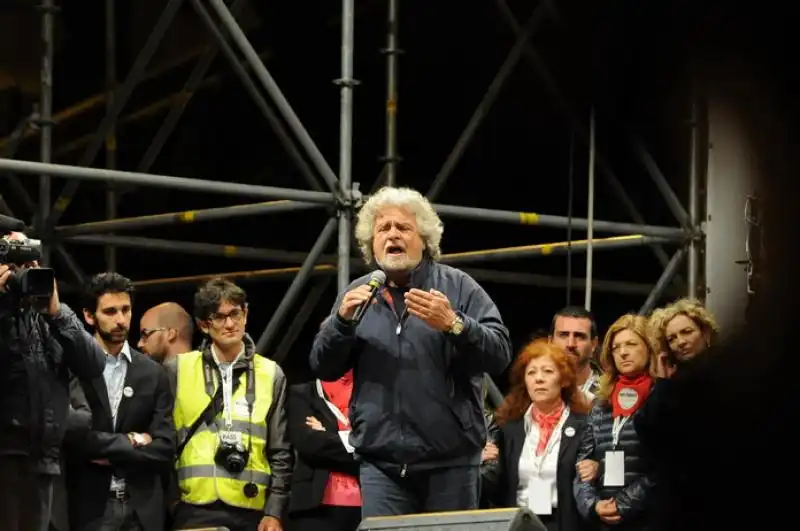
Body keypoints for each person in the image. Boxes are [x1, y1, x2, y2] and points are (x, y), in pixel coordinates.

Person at [310, 186, 513, 518]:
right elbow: (323, 366)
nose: (393, 235)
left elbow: (500, 354)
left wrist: (453, 323)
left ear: (425, 239)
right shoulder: (357, 293)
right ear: (371, 243)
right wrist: (341, 324)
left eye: (403, 227)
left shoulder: (458, 287)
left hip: (451, 466)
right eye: (383, 229)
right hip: (382, 467)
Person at [166, 277, 292, 531]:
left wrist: (274, 511)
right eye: (219, 317)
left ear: (245, 314)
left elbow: (281, 451)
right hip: (194, 508)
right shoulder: (178, 370)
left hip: (253, 509)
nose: (230, 324)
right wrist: (172, 504)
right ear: (203, 325)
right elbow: (164, 443)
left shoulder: (271, 373)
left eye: (235, 313)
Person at [0, 231, 106, 531]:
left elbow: (93, 364)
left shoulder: (49, 320)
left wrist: (57, 312)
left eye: (30, 263)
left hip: (41, 462)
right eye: (14, 264)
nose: (23, 273)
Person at [64, 273, 175, 531]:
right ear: (89, 316)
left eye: (126, 310)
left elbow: (165, 446)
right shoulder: (72, 367)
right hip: (90, 509)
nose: (121, 320)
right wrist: (133, 441)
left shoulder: (152, 372)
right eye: (110, 311)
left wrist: (106, 451)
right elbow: (75, 440)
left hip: (142, 512)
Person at [486, 340, 591, 531]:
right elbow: (496, 488)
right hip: (518, 522)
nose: (539, 379)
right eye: (531, 372)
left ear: (564, 380)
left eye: (548, 372)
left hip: (564, 523)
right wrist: (484, 460)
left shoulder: (584, 426)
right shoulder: (509, 429)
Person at [573, 315, 657, 530]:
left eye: (631, 344)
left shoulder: (661, 397)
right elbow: (582, 465)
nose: (623, 352)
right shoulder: (601, 402)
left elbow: (665, 467)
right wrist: (592, 506)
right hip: (605, 520)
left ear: (649, 347)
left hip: (650, 517)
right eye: (616, 347)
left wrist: (623, 504)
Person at [287, 369, 362, 531]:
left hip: (368, 506)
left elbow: (380, 445)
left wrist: (328, 435)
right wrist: (357, 444)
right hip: (315, 509)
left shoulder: (373, 395)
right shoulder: (303, 393)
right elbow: (310, 444)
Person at [548, 307, 601, 401]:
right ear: (550, 342)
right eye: (563, 335)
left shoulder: (610, 393)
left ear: (594, 344)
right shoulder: (534, 389)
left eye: (579, 336)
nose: (570, 344)